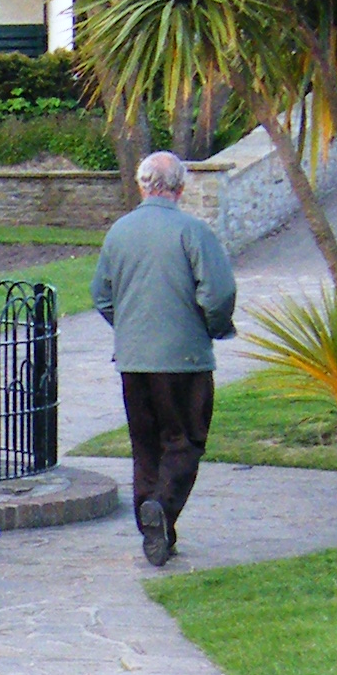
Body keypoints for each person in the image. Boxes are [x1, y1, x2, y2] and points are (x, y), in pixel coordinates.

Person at [90, 148, 238, 566]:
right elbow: (219, 293)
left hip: (133, 360)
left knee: (145, 446)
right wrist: (211, 326)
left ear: (142, 186)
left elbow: (101, 295)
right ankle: (163, 507)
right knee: (185, 440)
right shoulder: (193, 231)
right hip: (184, 360)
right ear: (180, 188)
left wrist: (129, 327)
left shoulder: (118, 233)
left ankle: (156, 529)